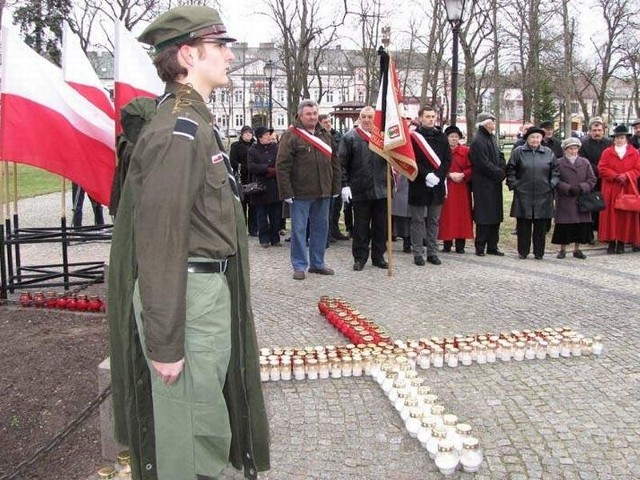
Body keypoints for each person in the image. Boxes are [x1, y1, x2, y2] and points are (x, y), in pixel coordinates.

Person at [107, 7, 269, 479]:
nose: (229, 54)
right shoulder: (179, 130)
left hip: (199, 294)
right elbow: (158, 241)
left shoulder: (191, 121)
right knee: (192, 437)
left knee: (205, 424)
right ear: (187, 54)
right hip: (187, 297)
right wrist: (165, 342)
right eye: (219, 45)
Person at [276, 99, 341, 280]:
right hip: (300, 193)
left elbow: (335, 163)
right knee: (298, 230)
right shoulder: (291, 136)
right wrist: (286, 192)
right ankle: (299, 265)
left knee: (321, 229)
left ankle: (317, 263)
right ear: (300, 115)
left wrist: (335, 186)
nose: (312, 117)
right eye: (308, 114)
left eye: (314, 114)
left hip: (323, 191)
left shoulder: (325, 135)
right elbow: (282, 166)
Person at [339, 106, 389, 270]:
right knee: (360, 227)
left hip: (381, 189)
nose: (367, 119)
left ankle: (378, 256)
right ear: (359, 118)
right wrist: (344, 185)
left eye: (370, 116)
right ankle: (360, 258)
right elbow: (342, 164)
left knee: (380, 226)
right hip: (360, 189)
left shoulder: (382, 138)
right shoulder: (350, 137)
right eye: (364, 116)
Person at [507, 126, 560, 259]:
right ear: (527, 138)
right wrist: (515, 185)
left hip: (544, 194)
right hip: (523, 193)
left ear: (541, 139)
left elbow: (555, 171)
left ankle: (539, 252)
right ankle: (523, 251)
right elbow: (511, 169)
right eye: (532, 137)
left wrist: (552, 184)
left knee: (540, 227)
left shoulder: (549, 152)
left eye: (538, 137)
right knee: (523, 225)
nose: (535, 140)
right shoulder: (518, 152)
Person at [407, 105, 451, 266]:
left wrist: (438, 176)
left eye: (433, 116)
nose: (431, 119)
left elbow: (447, 160)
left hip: (437, 184)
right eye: (427, 116)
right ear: (420, 118)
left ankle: (432, 252)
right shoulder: (413, 137)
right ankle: (418, 252)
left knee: (434, 220)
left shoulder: (441, 137)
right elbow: (411, 160)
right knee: (417, 220)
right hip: (418, 183)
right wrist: (426, 174)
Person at [597, 124, 640, 253]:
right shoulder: (607, 152)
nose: (619, 140)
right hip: (611, 187)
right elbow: (602, 168)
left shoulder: (634, 153)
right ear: (613, 139)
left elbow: (638, 169)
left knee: (624, 215)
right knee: (610, 215)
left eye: (622, 137)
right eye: (617, 138)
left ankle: (621, 242)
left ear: (626, 138)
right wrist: (615, 176)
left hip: (627, 187)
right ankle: (611, 242)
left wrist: (627, 175)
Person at [551, 137, 597, 259]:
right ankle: (562, 249)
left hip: (581, 199)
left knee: (580, 225)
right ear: (565, 150)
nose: (573, 151)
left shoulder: (585, 162)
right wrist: (567, 188)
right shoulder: (558, 162)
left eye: (575, 148)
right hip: (565, 199)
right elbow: (555, 179)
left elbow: (592, 179)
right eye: (570, 149)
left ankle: (577, 249)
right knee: (564, 226)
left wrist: (582, 187)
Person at [469, 112, 506, 256]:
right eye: (491, 121)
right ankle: (480, 245)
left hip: (494, 182)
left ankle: (492, 245)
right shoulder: (478, 140)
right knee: (484, 215)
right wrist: (498, 172)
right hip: (483, 184)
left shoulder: (491, 138)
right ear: (485, 123)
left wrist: (502, 169)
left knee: (496, 215)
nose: (493, 124)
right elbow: (481, 163)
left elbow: (500, 155)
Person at [438, 125, 473, 254]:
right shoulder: (442, 151)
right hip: (447, 186)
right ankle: (447, 243)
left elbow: (471, 167)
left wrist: (463, 174)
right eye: (451, 136)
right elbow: (438, 167)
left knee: (462, 216)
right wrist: (448, 175)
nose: (453, 139)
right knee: (447, 216)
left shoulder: (465, 151)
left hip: (461, 187)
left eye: (456, 137)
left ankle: (460, 244)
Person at [248, 126, 282, 247]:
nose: (269, 136)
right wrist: (266, 169)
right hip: (261, 186)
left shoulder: (276, 147)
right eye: (266, 134)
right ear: (259, 137)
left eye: (269, 134)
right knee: (262, 215)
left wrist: (276, 170)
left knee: (276, 215)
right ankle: (264, 239)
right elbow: (251, 166)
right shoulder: (253, 150)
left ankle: (275, 238)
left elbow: (281, 162)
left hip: (274, 186)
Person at [579, 117, 612, 234]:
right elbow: (583, 160)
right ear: (590, 131)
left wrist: (605, 171)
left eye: (599, 130)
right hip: (590, 178)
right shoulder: (583, 144)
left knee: (605, 205)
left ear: (603, 131)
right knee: (591, 205)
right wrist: (598, 170)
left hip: (606, 179)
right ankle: (590, 232)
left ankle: (602, 230)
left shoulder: (609, 143)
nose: (597, 133)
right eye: (594, 130)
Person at [320, 113, 350, 242]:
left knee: (337, 207)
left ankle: (334, 230)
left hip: (338, 173)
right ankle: (326, 234)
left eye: (329, 121)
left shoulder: (337, 135)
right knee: (326, 209)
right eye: (325, 122)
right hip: (326, 175)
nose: (328, 124)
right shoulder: (318, 136)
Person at [229, 125, 258, 236]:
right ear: (242, 134)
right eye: (246, 133)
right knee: (241, 204)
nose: (248, 135)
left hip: (253, 178)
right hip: (241, 178)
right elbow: (233, 161)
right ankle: (241, 229)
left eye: (250, 133)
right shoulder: (236, 146)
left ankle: (253, 229)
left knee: (253, 205)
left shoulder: (255, 146)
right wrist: (245, 167)